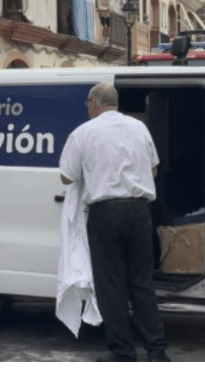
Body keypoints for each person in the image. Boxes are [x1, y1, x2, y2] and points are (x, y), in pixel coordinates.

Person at [58, 83, 170, 362]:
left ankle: (123, 352)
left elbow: (66, 177)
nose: (87, 108)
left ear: (94, 103)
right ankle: (156, 351)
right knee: (142, 283)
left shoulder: (83, 133)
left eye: (87, 103)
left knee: (112, 286)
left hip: (105, 213)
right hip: (138, 211)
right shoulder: (139, 128)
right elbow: (153, 169)